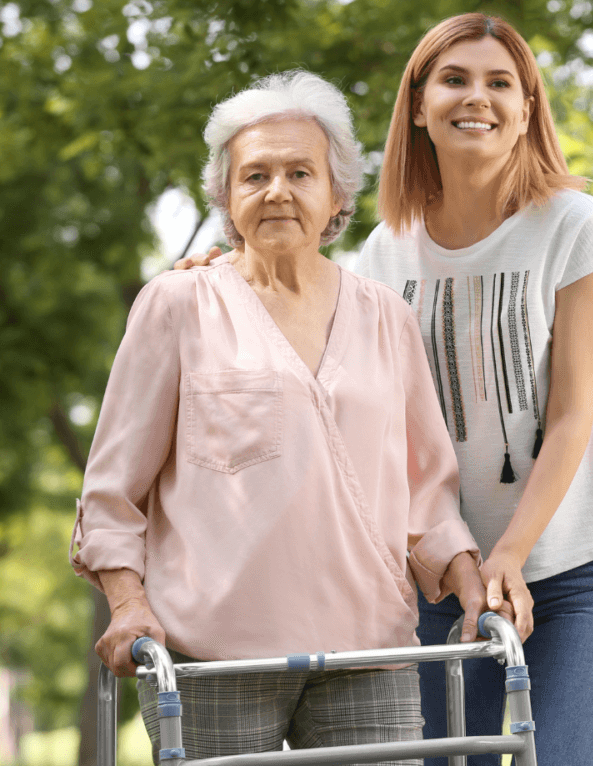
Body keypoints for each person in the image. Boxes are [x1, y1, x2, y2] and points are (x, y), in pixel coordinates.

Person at [177, 13, 593, 766]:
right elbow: (320, 359)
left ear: (527, 108)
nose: (477, 98)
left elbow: (572, 417)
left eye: (500, 83)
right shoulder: (384, 254)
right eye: (455, 80)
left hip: (573, 574)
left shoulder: (575, 226)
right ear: (419, 104)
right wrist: (225, 269)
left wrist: (511, 555)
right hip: (439, 580)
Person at [71, 70, 488, 766]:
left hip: (369, 651)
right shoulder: (178, 306)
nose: (277, 191)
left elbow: (426, 490)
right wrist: (126, 605)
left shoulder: (387, 315)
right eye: (254, 175)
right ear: (227, 200)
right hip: (212, 662)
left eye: (300, 172)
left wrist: (467, 571)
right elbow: (112, 492)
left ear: (336, 197)